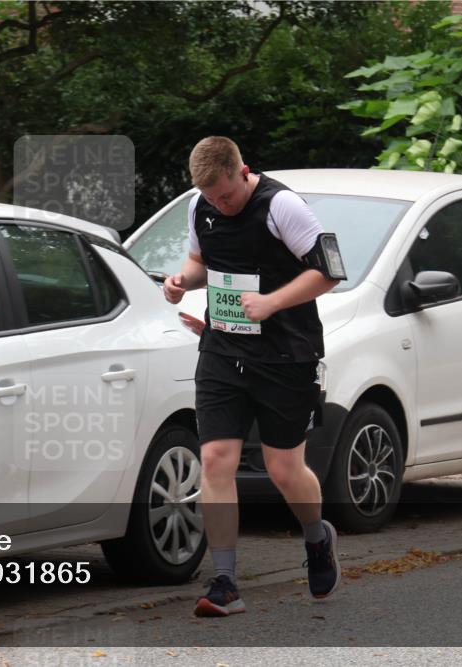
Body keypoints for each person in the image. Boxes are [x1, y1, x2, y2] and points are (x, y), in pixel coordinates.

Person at [163, 136, 346, 617]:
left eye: (226, 196)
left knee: (284, 469)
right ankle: (225, 581)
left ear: (243, 171)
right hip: (223, 350)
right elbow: (201, 261)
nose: (219, 206)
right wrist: (181, 281)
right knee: (216, 460)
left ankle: (316, 537)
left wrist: (272, 302)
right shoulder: (200, 206)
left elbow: (327, 274)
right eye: (211, 199)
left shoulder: (283, 206)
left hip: (286, 354)